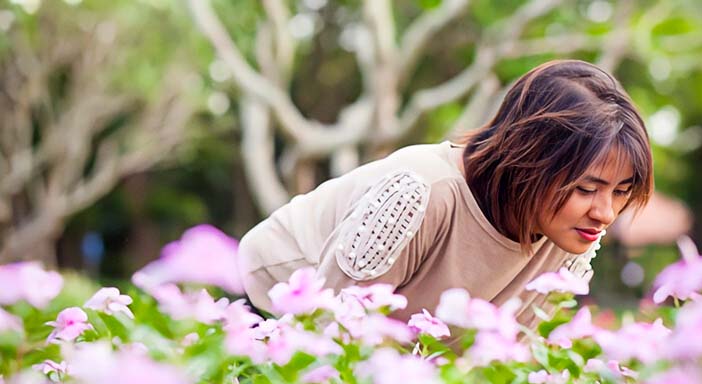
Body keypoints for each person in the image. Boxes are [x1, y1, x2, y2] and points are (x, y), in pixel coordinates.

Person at [237, 59, 653, 328]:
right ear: (530, 159)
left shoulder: (572, 238)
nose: (605, 213)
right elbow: (327, 330)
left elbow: (509, 357)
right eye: (586, 188)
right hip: (256, 313)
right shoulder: (421, 192)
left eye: (621, 192)